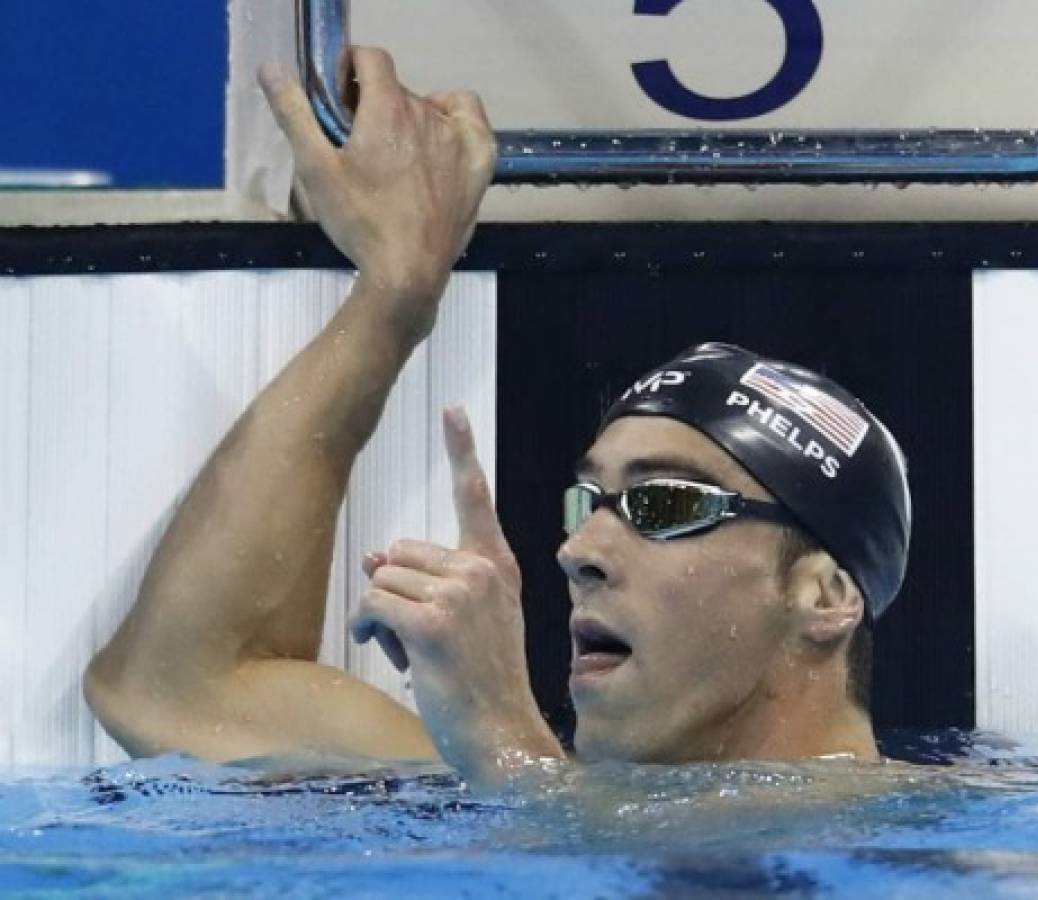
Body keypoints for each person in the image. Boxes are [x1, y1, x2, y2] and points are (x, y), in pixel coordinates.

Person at [84, 47, 910, 789]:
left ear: (824, 595)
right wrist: (395, 294)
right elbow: (173, 689)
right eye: (587, 505)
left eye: (664, 503)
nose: (578, 551)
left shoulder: (919, 835)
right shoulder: (508, 775)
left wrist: (504, 745)